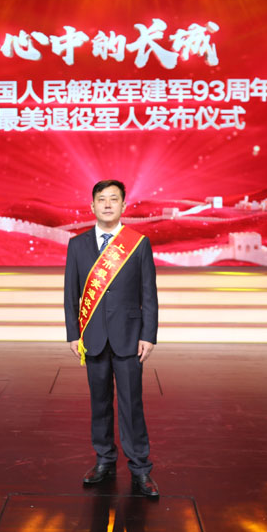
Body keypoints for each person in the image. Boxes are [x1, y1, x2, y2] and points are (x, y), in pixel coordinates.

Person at [63, 179, 159, 497]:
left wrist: (148, 334)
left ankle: (140, 468)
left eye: (113, 199)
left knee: (132, 404)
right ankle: (104, 460)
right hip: (92, 336)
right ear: (92, 206)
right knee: (100, 403)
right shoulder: (77, 246)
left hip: (129, 337)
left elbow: (149, 293)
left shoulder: (138, 244)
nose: (107, 204)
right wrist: (73, 334)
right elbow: (71, 294)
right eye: (101, 199)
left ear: (123, 206)